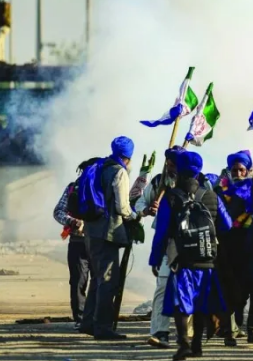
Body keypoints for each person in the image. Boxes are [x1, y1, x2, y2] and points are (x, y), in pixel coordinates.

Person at [151, 150, 231, 361]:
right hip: (207, 258)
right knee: (202, 302)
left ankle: (184, 343)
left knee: (181, 302)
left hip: (182, 260)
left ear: (178, 169)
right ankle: (197, 345)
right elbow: (228, 224)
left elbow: (161, 232)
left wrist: (155, 258)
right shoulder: (211, 195)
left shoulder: (171, 197)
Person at [78, 136, 139, 340]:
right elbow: (122, 207)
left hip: (91, 230)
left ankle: (88, 323)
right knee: (108, 280)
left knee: (97, 278)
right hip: (108, 233)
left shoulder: (100, 164)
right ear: (128, 157)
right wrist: (136, 215)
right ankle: (103, 327)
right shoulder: (119, 171)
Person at [214, 150, 253, 344]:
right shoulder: (221, 191)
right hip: (231, 245)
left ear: (248, 170)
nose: (238, 173)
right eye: (234, 170)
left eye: (241, 170)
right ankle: (231, 329)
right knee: (233, 289)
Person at [141, 146, 185, 349]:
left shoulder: (196, 183)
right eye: (167, 164)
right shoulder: (159, 182)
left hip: (190, 246)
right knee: (162, 287)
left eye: (173, 164)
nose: (169, 167)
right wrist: (147, 209)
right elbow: (139, 202)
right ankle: (160, 332)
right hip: (167, 245)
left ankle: (188, 335)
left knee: (188, 289)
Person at [53, 157, 102, 328]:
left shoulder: (101, 188)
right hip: (77, 241)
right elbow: (58, 211)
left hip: (98, 241)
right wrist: (73, 222)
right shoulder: (73, 187)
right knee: (78, 281)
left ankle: (96, 316)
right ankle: (80, 318)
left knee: (99, 280)